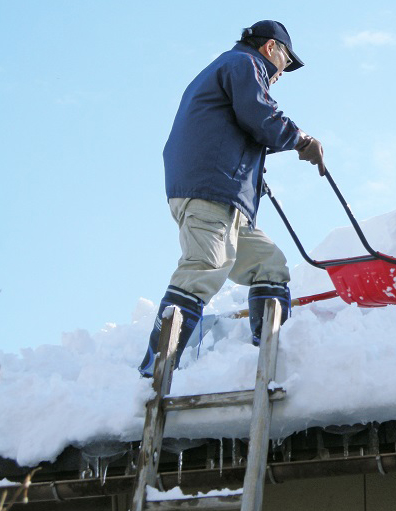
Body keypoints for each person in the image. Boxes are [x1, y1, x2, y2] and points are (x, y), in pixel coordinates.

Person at [138, 20, 324, 377]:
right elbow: (260, 114)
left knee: (269, 264)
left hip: (225, 194)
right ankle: (153, 374)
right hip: (212, 190)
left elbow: (237, 129)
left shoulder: (229, 68)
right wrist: (301, 139)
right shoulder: (244, 64)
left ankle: (271, 358)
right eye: (286, 60)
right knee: (203, 267)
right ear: (271, 48)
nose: (283, 72)